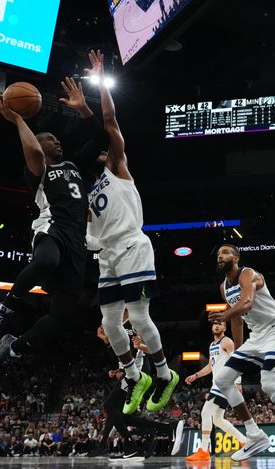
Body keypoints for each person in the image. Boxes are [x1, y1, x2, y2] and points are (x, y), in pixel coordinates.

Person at [0, 71, 109, 381]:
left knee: (63, 316)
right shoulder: (36, 170)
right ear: (38, 143)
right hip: (52, 227)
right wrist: (18, 119)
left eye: (57, 139)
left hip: (78, 241)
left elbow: (101, 137)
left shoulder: (74, 164)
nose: (58, 141)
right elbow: (34, 151)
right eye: (52, 139)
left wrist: (82, 108)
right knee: (47, 259)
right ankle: (4, 309)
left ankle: (11, 348)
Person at [85, 50, 177, 414]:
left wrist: (99, 82)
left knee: (138, 317)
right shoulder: (84, 192)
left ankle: (164, 373)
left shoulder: (117, 167)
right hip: (106, 253)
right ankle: (134, 375)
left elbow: (108, 121)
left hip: (132, 246)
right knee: (109, 321)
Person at [207, 244, 275, 465]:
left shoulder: (249, 274)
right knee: (223, 379)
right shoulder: (224, 287)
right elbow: (237, 319)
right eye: (218, 254)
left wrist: (225, 315)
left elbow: (247, 303)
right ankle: (255, 435)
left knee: (269, 384)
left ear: (236, 258)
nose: (220, 256)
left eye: (225, 253)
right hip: (256, 336)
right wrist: (237, 353)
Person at [92, 315, 184, 462]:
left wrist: (140, 346)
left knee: (110, 406)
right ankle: (167, 428)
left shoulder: (136, 322)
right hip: (127, 373)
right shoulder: (116, 325)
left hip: (138, 373)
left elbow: (155, 349)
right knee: (120, 415)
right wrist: (107, 342)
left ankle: (131, 446)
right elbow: (119, 354)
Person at [184, 321, 248, 462]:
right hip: (217, 384)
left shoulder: (227, 342)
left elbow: (237, 361)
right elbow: (210, 366)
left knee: (205, 412)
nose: (217, 326)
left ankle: (204, 450)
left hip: (224, 384)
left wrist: (238, 383)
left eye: (220, 324)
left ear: (225, 327)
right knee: (218, 419)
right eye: (214, 324)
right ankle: (244, 441)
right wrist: (196, 375)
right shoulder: (212, 345)